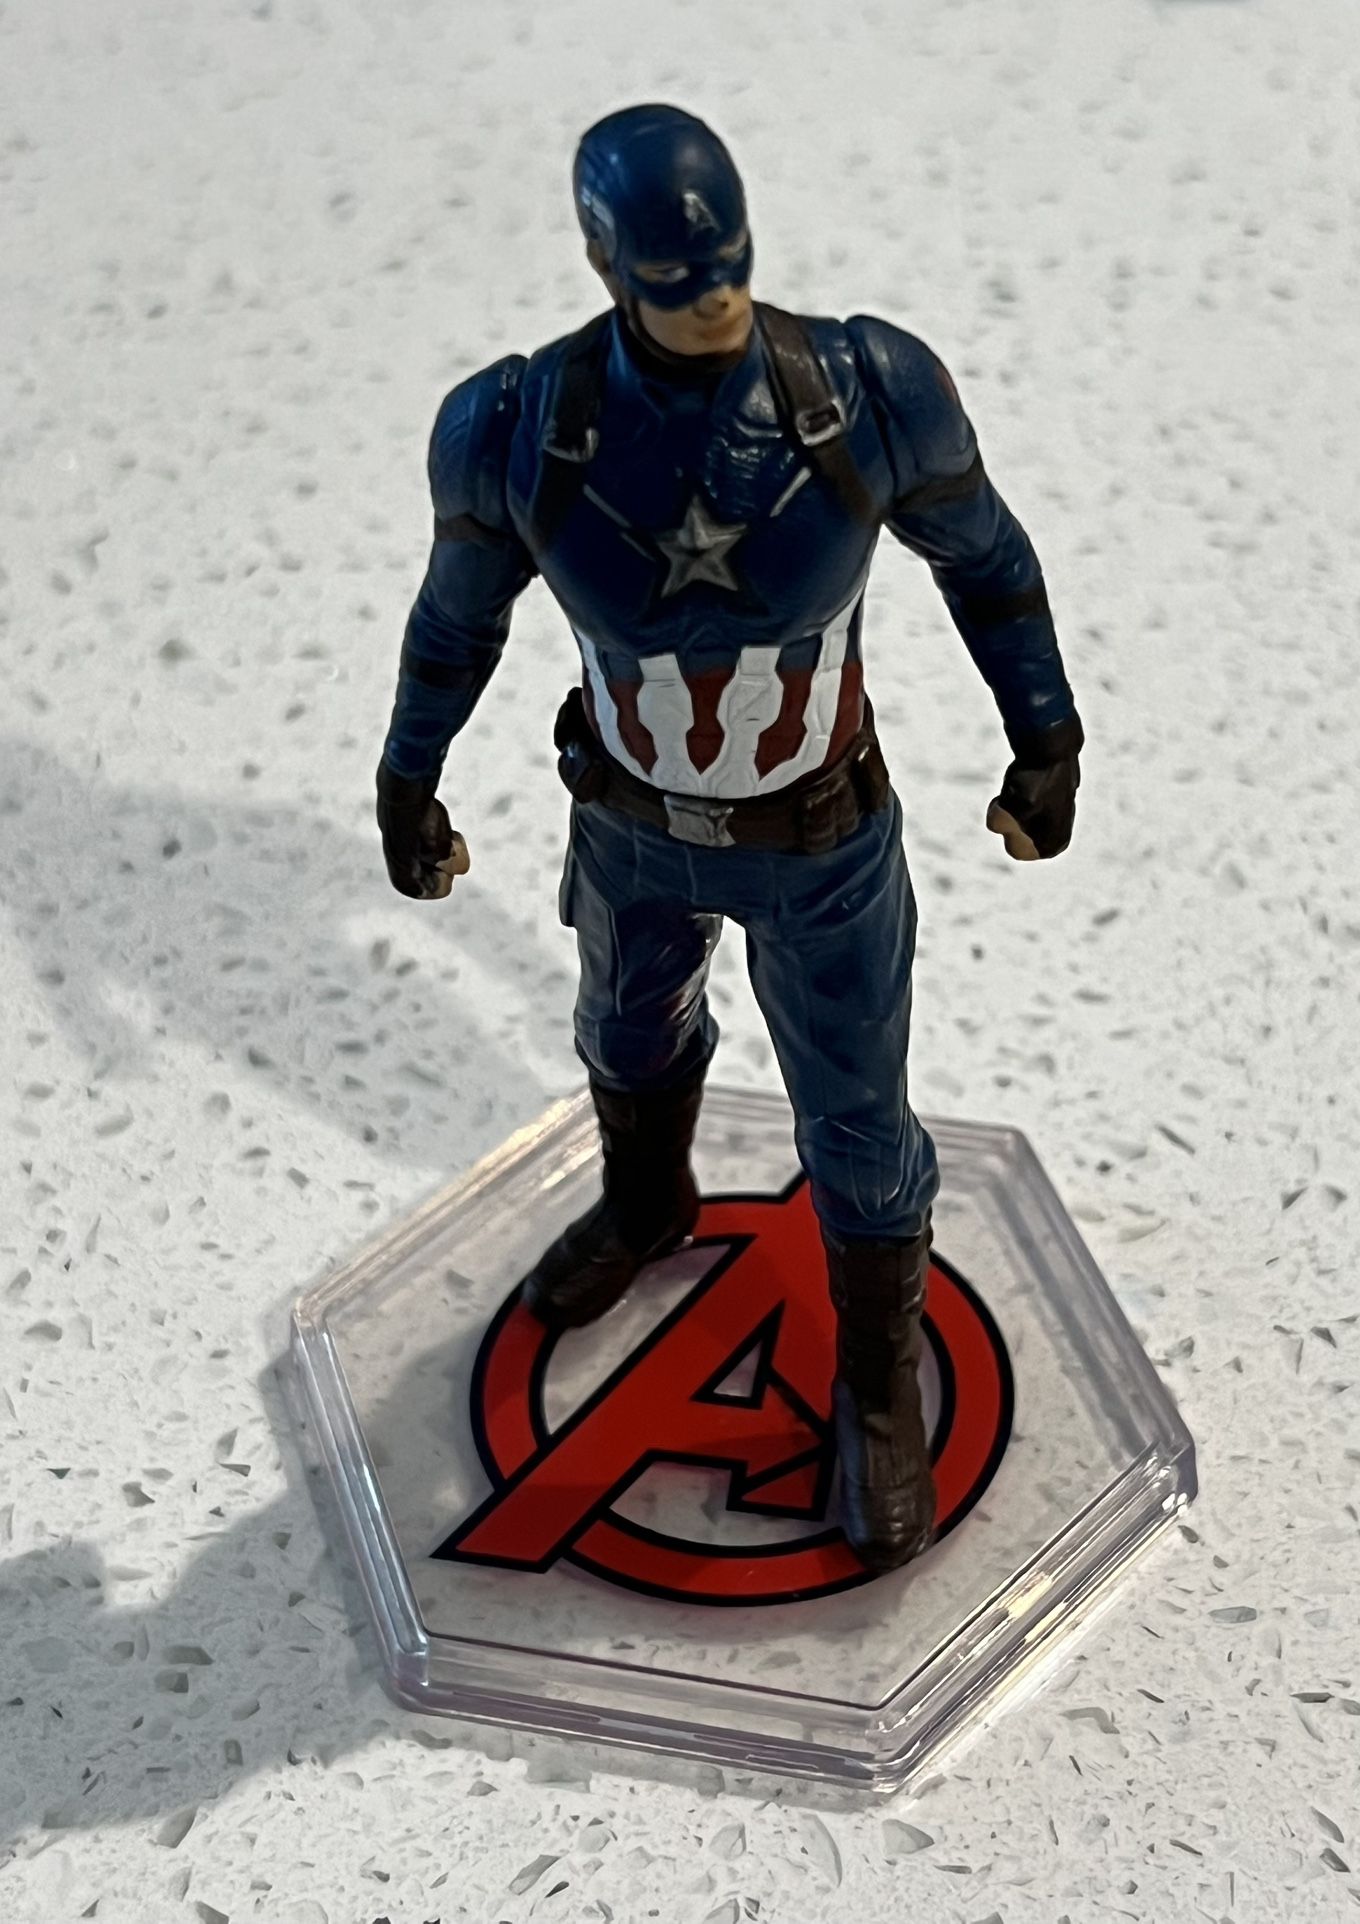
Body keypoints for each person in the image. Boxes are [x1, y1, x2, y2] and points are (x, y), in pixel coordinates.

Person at [375, 104, 1082, 1572]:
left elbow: (989, 562)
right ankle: (648, 1201)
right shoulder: (517, 425)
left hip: (818, 839)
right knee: (623, 1039)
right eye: (675, 281)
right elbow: (455, 624)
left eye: (729, 269)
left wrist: (1047, 734)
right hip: (631, 825)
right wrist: (407, 773)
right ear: (603, 262)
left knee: (859, 1127)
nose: (713, 304)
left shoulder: (867, 390)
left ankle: (876, 1381)